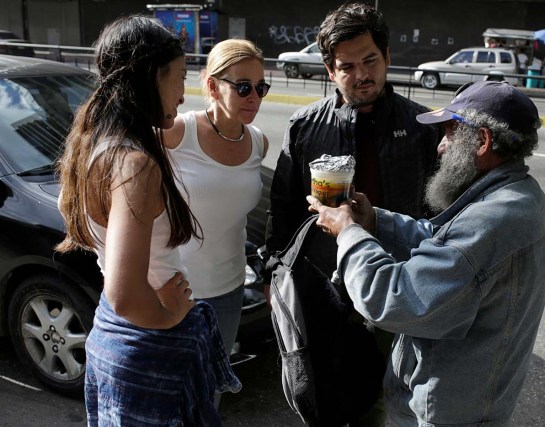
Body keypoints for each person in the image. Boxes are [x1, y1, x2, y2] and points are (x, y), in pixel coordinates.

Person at [307, 80, 545, 425]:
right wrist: (375, 221)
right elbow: (444, 243)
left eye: (450, 134)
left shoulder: (493, 220)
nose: (441, 147)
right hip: (468, 399)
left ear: (482, 141)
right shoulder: (515, 193)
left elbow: (393, 299)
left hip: (446, 413)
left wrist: (347, 232)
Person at [55, 15, 240, 426]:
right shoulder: (135, 164)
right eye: (179, 76)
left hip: (113, 334)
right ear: (150, 78)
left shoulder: (96, 143)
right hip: (148, 344)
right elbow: (126, 292)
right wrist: (168, 316)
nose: (183, 91)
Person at [266, 2, 441, 425]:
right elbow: (284, 206)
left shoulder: (423, 124)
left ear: (387, 59)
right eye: (347, 66)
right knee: (322, 386)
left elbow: (441, 211)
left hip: (394, 283)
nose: (361, 75)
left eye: (370, 61)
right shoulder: (305, 124)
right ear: (330, 70)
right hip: (325, 284)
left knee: (384, 391)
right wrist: (276, 267)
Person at [163, 38, 269, 407]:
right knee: (176, 393)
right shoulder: (177, 132)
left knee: (212, 391)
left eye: (260, 87)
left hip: (229, 289)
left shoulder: (258, 142)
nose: (253, 96)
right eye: (242, 86)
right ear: (211, 86)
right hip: (179, 289)